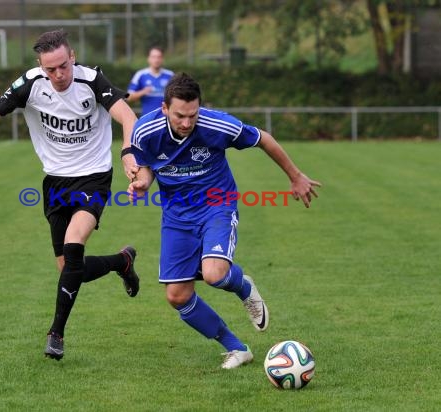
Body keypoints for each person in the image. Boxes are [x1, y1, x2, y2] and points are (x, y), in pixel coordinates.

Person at [0, 29, 141, 361]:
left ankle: (56, 334)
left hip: (94, 178)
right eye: (50, 69)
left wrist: (127, 152)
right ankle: (120, 262)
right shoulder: (30, 84)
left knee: (74, 243)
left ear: (73, 57)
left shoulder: (92, 80)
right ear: (40, 65)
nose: (58, 75)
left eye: (63, 66)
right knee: (68, 267)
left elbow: (127, 116)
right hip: (55, 184)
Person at [127, 72, 321, 369]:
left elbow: (263, 139)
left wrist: (295, 177)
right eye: (179, 115)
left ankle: (243, 287)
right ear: (164, 108)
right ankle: (237, 348)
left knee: (215, 273)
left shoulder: (217, 124)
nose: (186, 123)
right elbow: (149, 167)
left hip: (218, 205)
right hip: (177, 215)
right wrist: (142, 182)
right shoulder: (145, 131)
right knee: (177, 296)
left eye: (193, 115)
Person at [126, 46, 174, 117]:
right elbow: (128, 97)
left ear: (162, 59)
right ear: (148, 59)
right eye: (153, 57)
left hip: (167, 118)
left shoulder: (170, 75)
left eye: (159, 57)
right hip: (148, 118)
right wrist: (143, 92)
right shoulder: (141, 75)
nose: (156, 60)